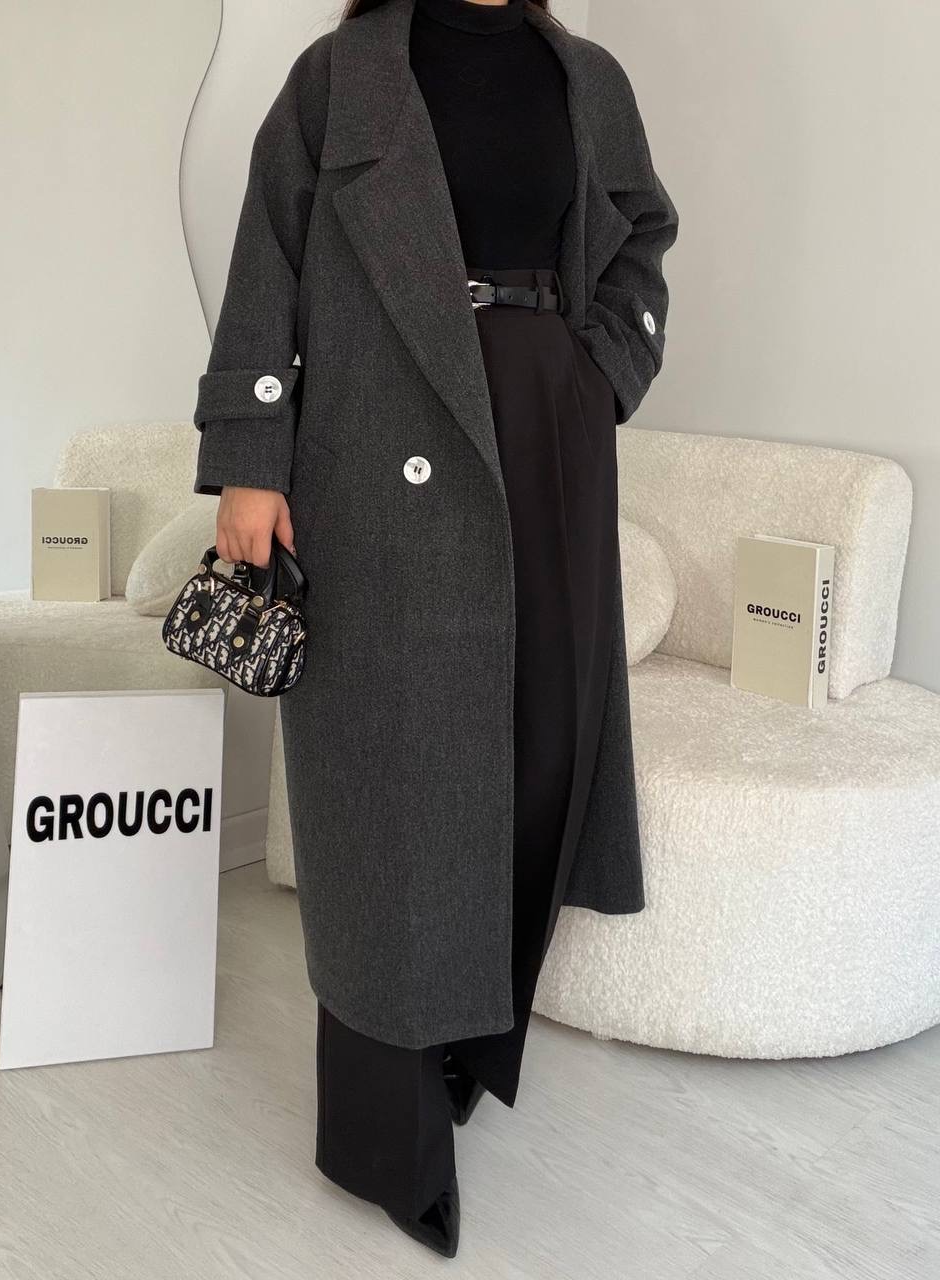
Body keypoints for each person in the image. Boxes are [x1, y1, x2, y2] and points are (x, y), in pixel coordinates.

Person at [193, 0, 678, 1258]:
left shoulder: (586, 77)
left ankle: (469, 1027)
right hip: (379, 427)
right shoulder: (342, 75)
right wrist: (248, 457)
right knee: (391, 786)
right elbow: (268, 257)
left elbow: (641, 233)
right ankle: (382, 1137)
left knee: (540, 746)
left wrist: (601, 370)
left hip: (548, 424)